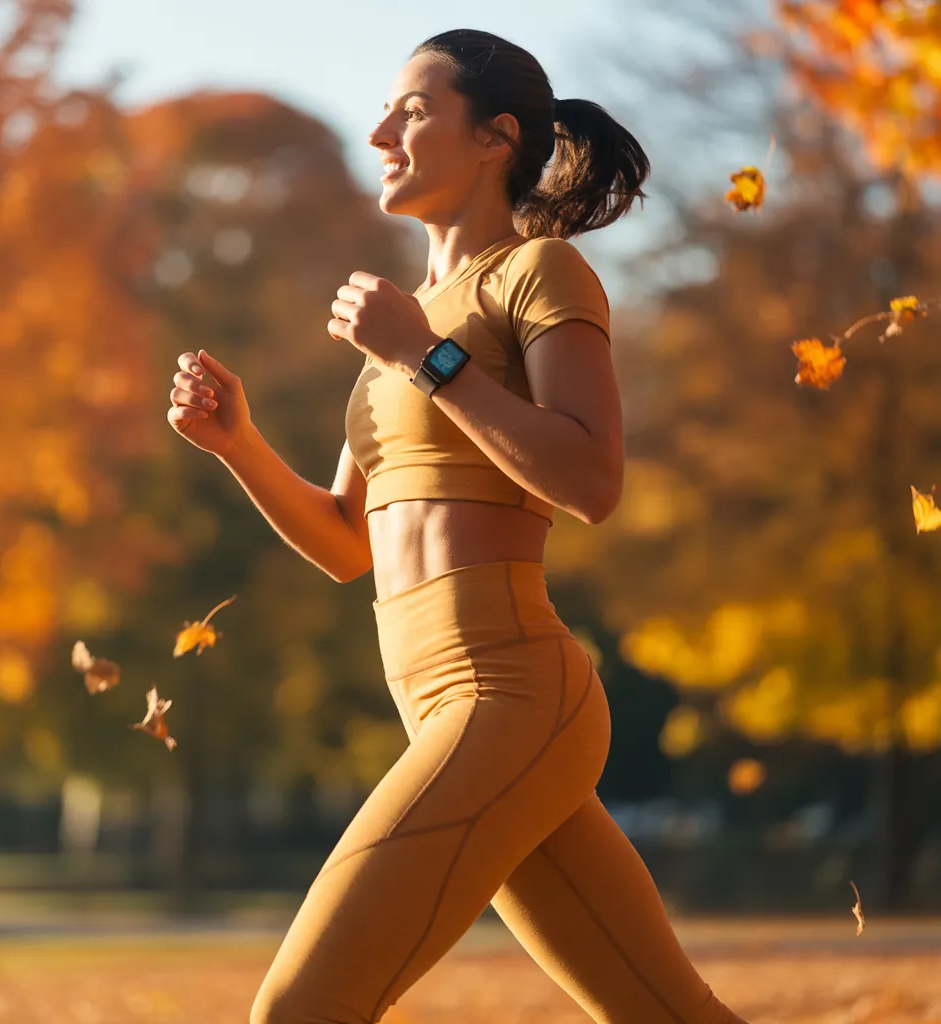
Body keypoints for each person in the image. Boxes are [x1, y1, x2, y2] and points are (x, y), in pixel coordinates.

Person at [167, 27, 749, 1024]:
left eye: (414, 109)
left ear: (495, 137)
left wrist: (426, 357)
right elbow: (351, 544)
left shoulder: (538, 273)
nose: (381, 129)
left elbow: (589, 477)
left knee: (300, 1010)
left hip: (512, 689)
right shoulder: (405, 319)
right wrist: (240, 445)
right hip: (435, 701)